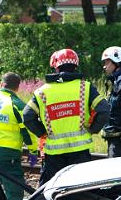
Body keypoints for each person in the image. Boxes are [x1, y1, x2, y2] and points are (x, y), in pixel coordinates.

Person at [23, 48, 110, 186]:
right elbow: (104, 110)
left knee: (48, 191)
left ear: (56, 68)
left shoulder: (42, 92)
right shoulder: (85, 87)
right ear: (75, 66)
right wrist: (93, 129)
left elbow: (27, 116)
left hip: (53, 153)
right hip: (80, 151)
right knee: (82, 190)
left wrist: (42, 133)